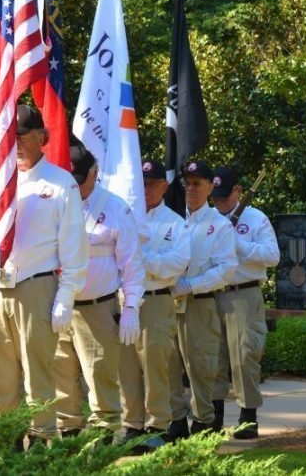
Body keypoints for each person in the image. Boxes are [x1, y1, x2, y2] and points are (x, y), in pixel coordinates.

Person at [0, 104, 89, 444]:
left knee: (39, 375)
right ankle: (10, 440)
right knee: (1, 375)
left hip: (36, 287)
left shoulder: (60, 184)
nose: (15, 144)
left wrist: (66, 296)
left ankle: (42, 440)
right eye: (10, 137)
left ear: (42, 137)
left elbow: (74, 246)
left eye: (22, 136)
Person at [53, 144, 145, 436]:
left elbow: (131, 263)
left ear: (94, 173)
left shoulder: (115, 207)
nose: (75, 187)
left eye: (80, 180)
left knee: (100, 375)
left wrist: (131, 307)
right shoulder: (56, 202)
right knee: (60, 375)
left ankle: (104, 434)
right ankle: (68, 431)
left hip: (96, 306)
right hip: (58, 303)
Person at [117, 159, 189, 449]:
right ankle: (132, 425)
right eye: (142, 183)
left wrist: (141, 260)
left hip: (156, 300)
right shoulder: (125, 216)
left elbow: (177, 264)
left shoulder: (174, 222)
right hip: (124, 300)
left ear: (164, 185)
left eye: (152, 184)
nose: (147, 189)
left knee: (155, 365)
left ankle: (157, 426)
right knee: (126, 367)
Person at [167, 161, 237, 439]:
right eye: (188, 183)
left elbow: (226, 269)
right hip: (169, 303)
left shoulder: (219, 225)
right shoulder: (173, 220)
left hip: (200, 302)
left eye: (197, 183)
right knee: (168, 364)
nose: (191, 189)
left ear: (210, 186)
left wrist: (192, 285)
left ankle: (203, 422)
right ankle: (175, 421)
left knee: (201, 366)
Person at [209, 166, 280, 439]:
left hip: (243, 293)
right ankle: (212, 418)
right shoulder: (206, 218)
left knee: (245, 355)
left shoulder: (255, 218)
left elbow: (272, 256)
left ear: (238, 191)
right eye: (215, 196)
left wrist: (237, 244)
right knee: (212, 356)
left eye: (225, 196)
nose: (219, 201)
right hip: (211, 291)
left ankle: (247, 417)